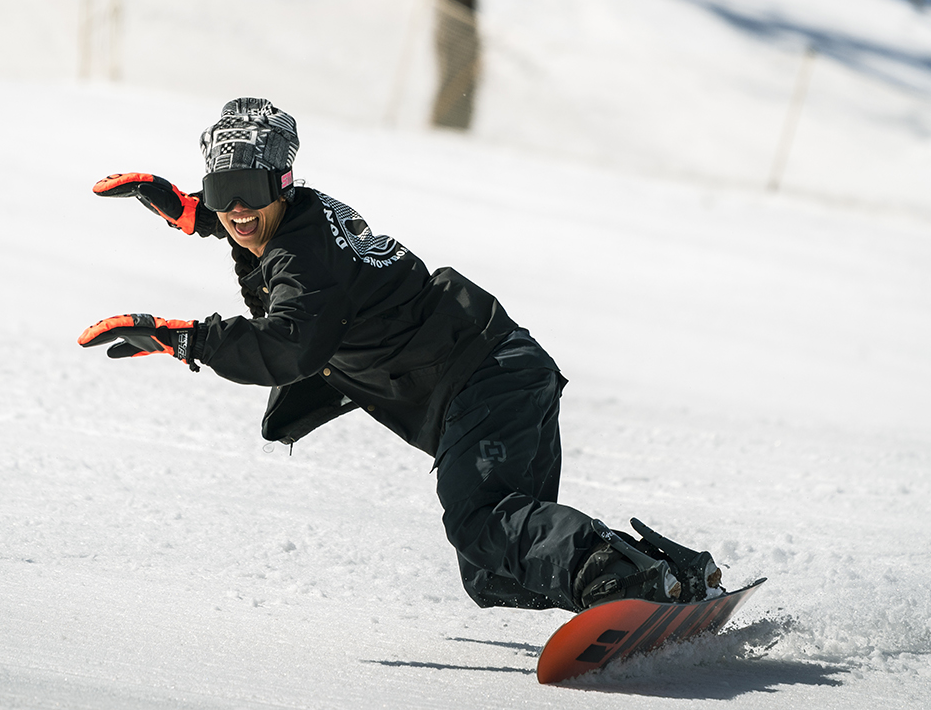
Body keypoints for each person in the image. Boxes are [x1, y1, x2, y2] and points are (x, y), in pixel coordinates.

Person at [77, 97, 723, 613]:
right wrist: (191, 212)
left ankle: (624, 581)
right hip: (491, 372)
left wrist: (181, 339)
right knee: (493, 572)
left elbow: (289, 347)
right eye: (222, 192)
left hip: (484, 376)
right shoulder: (296, 217)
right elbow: (250, 229)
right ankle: (668, 578)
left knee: (482, 522)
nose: (236, 209)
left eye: (247, 188)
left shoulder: (306, 261)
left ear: (281, 180)